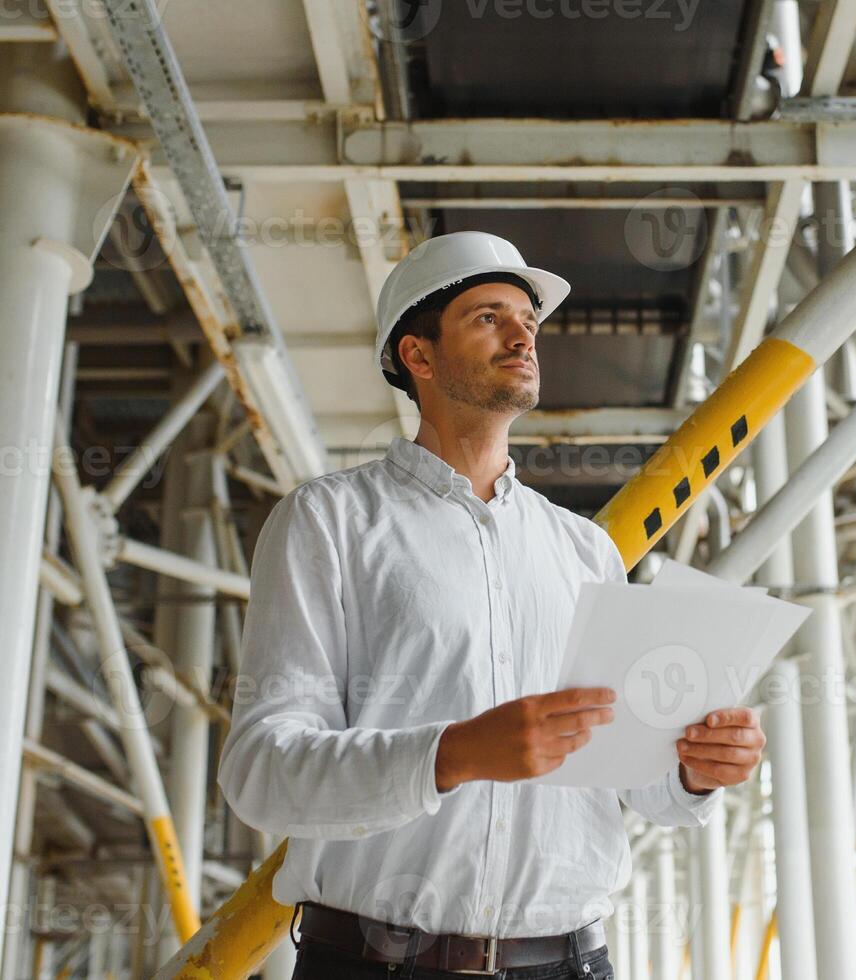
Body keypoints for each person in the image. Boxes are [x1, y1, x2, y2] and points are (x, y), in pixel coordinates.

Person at [219, 231, 765, 979]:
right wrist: (453, 755)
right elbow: (262, 771)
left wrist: (696, 769)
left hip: (570, 962)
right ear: (418, 355)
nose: (522, 336)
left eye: (528, 322)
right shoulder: (329, 523)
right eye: (488, 317)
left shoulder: (584, 550)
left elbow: (631, 778)